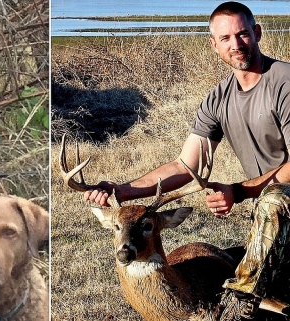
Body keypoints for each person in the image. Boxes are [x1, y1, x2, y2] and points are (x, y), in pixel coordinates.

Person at [85, 1, 290, 320]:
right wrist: (124, 191)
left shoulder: (285, 82)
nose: (235, 45)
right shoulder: (218, 99)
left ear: (257, 33)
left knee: (272, 202)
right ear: (214, 45)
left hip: (277, 205)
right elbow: (186, 166)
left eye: (242, 34)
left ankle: (240, 304)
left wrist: (239, 191)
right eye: (225, 38)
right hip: (269, 213)